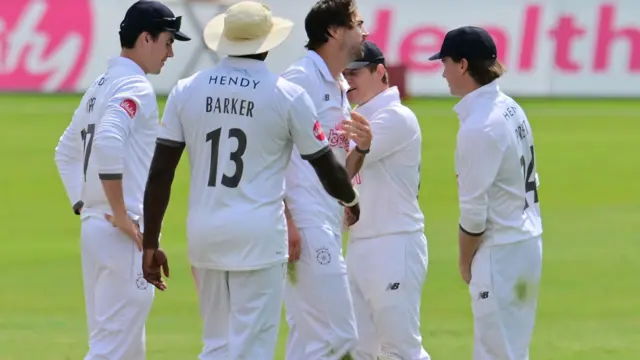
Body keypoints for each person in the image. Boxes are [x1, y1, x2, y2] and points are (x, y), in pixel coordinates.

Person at [138, 2, 362, 359]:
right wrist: (350, 200)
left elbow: (161, 171)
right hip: (259, 237)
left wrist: (150, 241)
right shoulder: (287, 94)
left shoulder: (186, 89)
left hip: (205, 233)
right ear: (268, 42)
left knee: (217, 345)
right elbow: (325, 166)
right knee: (252, 348)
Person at [53, 1, 190, 359]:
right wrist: (121, 214)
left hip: (97, 231)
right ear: (146, 38)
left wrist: (86, 205)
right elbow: (109, 139)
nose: (170, 53)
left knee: (126, 349)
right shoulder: (135, 86)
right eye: (167, 41)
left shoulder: (100, 85)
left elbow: (64, 152)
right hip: (119, 233)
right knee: (112, 350)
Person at [428, 26, 544, 360]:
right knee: (512, 351)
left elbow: (474, 213)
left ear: (463, 65)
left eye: (446, 62)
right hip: (525, 242)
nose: (442, 71)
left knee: (495, 354)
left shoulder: (480, 126)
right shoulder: (509, 107)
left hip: (500, 252)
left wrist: (465, 261)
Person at [279, 0, 371, 359]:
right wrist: (286, 219)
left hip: (326, 221)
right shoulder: (299, 79)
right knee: (340, 338)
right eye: (357, 23)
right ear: (334, 31)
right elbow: (271, 154)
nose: (365, 31)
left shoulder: (337, 86)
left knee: (307, 340)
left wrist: (361, 149)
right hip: (304, 223)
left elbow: (336, 169)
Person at [342, 40, 430, 360]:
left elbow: (341, 164)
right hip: (361, 244)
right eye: (343, 73)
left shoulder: (396, 117)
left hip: (395, 243)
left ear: (380, 72)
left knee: (401, 349)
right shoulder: (356, 117)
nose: (347, 79)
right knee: (360, 350)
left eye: (354, 72)